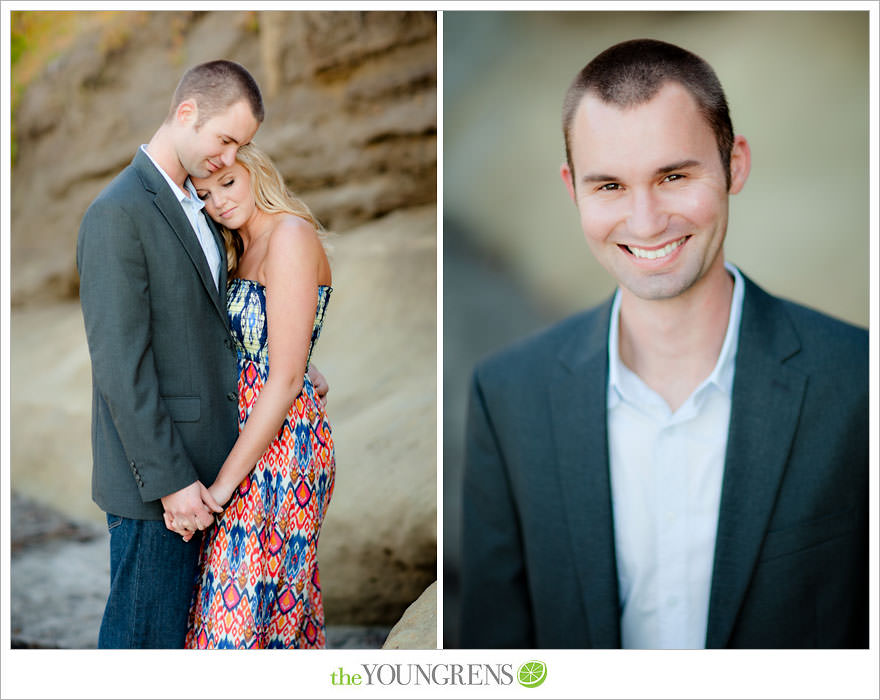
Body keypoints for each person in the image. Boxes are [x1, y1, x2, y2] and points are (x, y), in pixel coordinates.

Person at [458, 38, 867, 649]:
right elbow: (499, 652)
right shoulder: (507, 395)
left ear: (736, 164)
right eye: (610, 187)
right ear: (572, 189)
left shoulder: (860, 382)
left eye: (673, 176)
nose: (646, 221)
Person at [76, 60, 328, 649]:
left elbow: (221, 323)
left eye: (240, 147)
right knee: (143, 648)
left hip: (223, 472)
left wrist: (293, 362)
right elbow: (120, 365)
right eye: (225, 139)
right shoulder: (118, 213)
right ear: (186, 113)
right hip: (163, 484)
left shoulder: (200, 209)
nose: (227, 157)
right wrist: (172, 484)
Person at [165, 142, 335, 649]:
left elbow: (282, 382)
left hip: (281, 453)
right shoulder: (242, 249)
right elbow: (270, 340)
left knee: (236, 631)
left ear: (255, 171)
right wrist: (306, 361)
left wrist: (218, 492)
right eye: (205, 194)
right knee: (254, 621)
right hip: (245, 448)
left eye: (229, 183)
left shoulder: (289, 235)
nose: (219, 201)